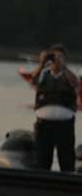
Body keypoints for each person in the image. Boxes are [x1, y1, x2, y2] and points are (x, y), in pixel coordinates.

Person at [28, 43, 78, 172]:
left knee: (66, 161)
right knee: (42, 160)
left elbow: (76, 84)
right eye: (55, 56)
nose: (57, 59)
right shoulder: (43, 74)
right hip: (44, 126)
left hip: (65, 126)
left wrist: (63, 67)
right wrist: (43, 63)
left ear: (65, 59)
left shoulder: (68, 75)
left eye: (60, 57)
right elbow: (33, 81)